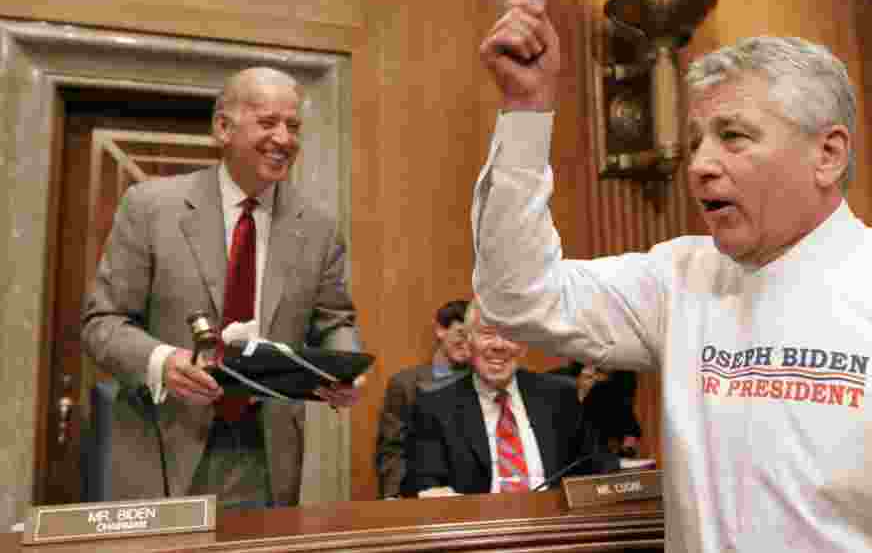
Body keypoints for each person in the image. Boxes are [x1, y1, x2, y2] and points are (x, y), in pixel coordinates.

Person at [472, 0, 872, 551]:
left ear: (827, 154)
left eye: (733, 136)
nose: (700, 164)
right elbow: (516, 297)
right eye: (695, 142)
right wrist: (525, 111)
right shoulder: (678, 280)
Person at [82, 66, 362, 508]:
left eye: (293, 126)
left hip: (265, 456)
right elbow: (103, 323)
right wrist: (163, 360)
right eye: (268, 123)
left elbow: (334, 321)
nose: (285, 139)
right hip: (161, 444)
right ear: (222, 128)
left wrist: (345, 367)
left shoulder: (320, 229)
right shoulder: (152, 207)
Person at [400, 304, 616, 497]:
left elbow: (599, 466)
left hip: (552, 531)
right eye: (487, 333)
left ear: (524, 345)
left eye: (510, 334)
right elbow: (420, 482)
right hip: (477, 535)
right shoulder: (435, 406)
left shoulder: (560, 396)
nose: (499, 345)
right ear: (468, 341)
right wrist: (436, 496)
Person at [374, 299, 474, 498]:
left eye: (474, 336)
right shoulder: (405, 384)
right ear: (440, 330)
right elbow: (392, 448)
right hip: (419, 494)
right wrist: (392, 496)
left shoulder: (482, 381)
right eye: (461, 333)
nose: (467, 343)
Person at [548, 361, 642, 457]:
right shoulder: (556, 380)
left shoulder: (620, 382)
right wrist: (581, 392)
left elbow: (627, 420)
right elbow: (559, 425)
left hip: (599, 457)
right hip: (563, 455)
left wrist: (628, 445)